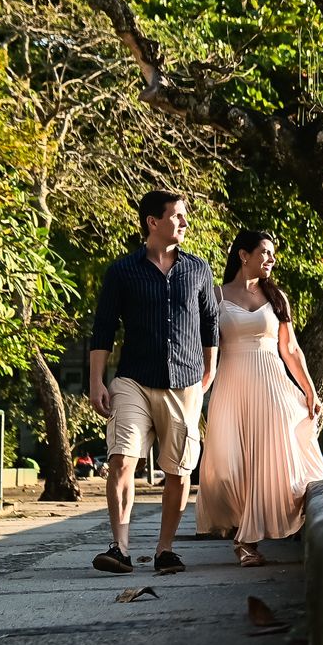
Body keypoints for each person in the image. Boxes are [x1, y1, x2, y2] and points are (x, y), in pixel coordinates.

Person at [87, 190, 219, 574]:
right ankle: (120, 548)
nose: (184, 222)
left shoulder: (198, 270)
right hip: (133, 380)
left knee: (179, 470)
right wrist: (97, 381)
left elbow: (210, 322)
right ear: (153, 221)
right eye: (177, 216)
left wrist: (209, 370)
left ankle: (165, 550)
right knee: (120, 459)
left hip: (185, 382)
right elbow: (103, 328)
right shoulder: (122, 271)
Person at [198, 230, 323, 566]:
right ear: (244, 255)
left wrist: (309, 390)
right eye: (265, 252)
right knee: (228, 466)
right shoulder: (215, 295)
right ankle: (241, 529)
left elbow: (291, 348)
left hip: (272, 385)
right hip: (231, 386)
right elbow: (204, 347)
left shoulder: (277, 296)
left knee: (267, 464)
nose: (272, 259)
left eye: (273, 253)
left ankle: (246, 542)